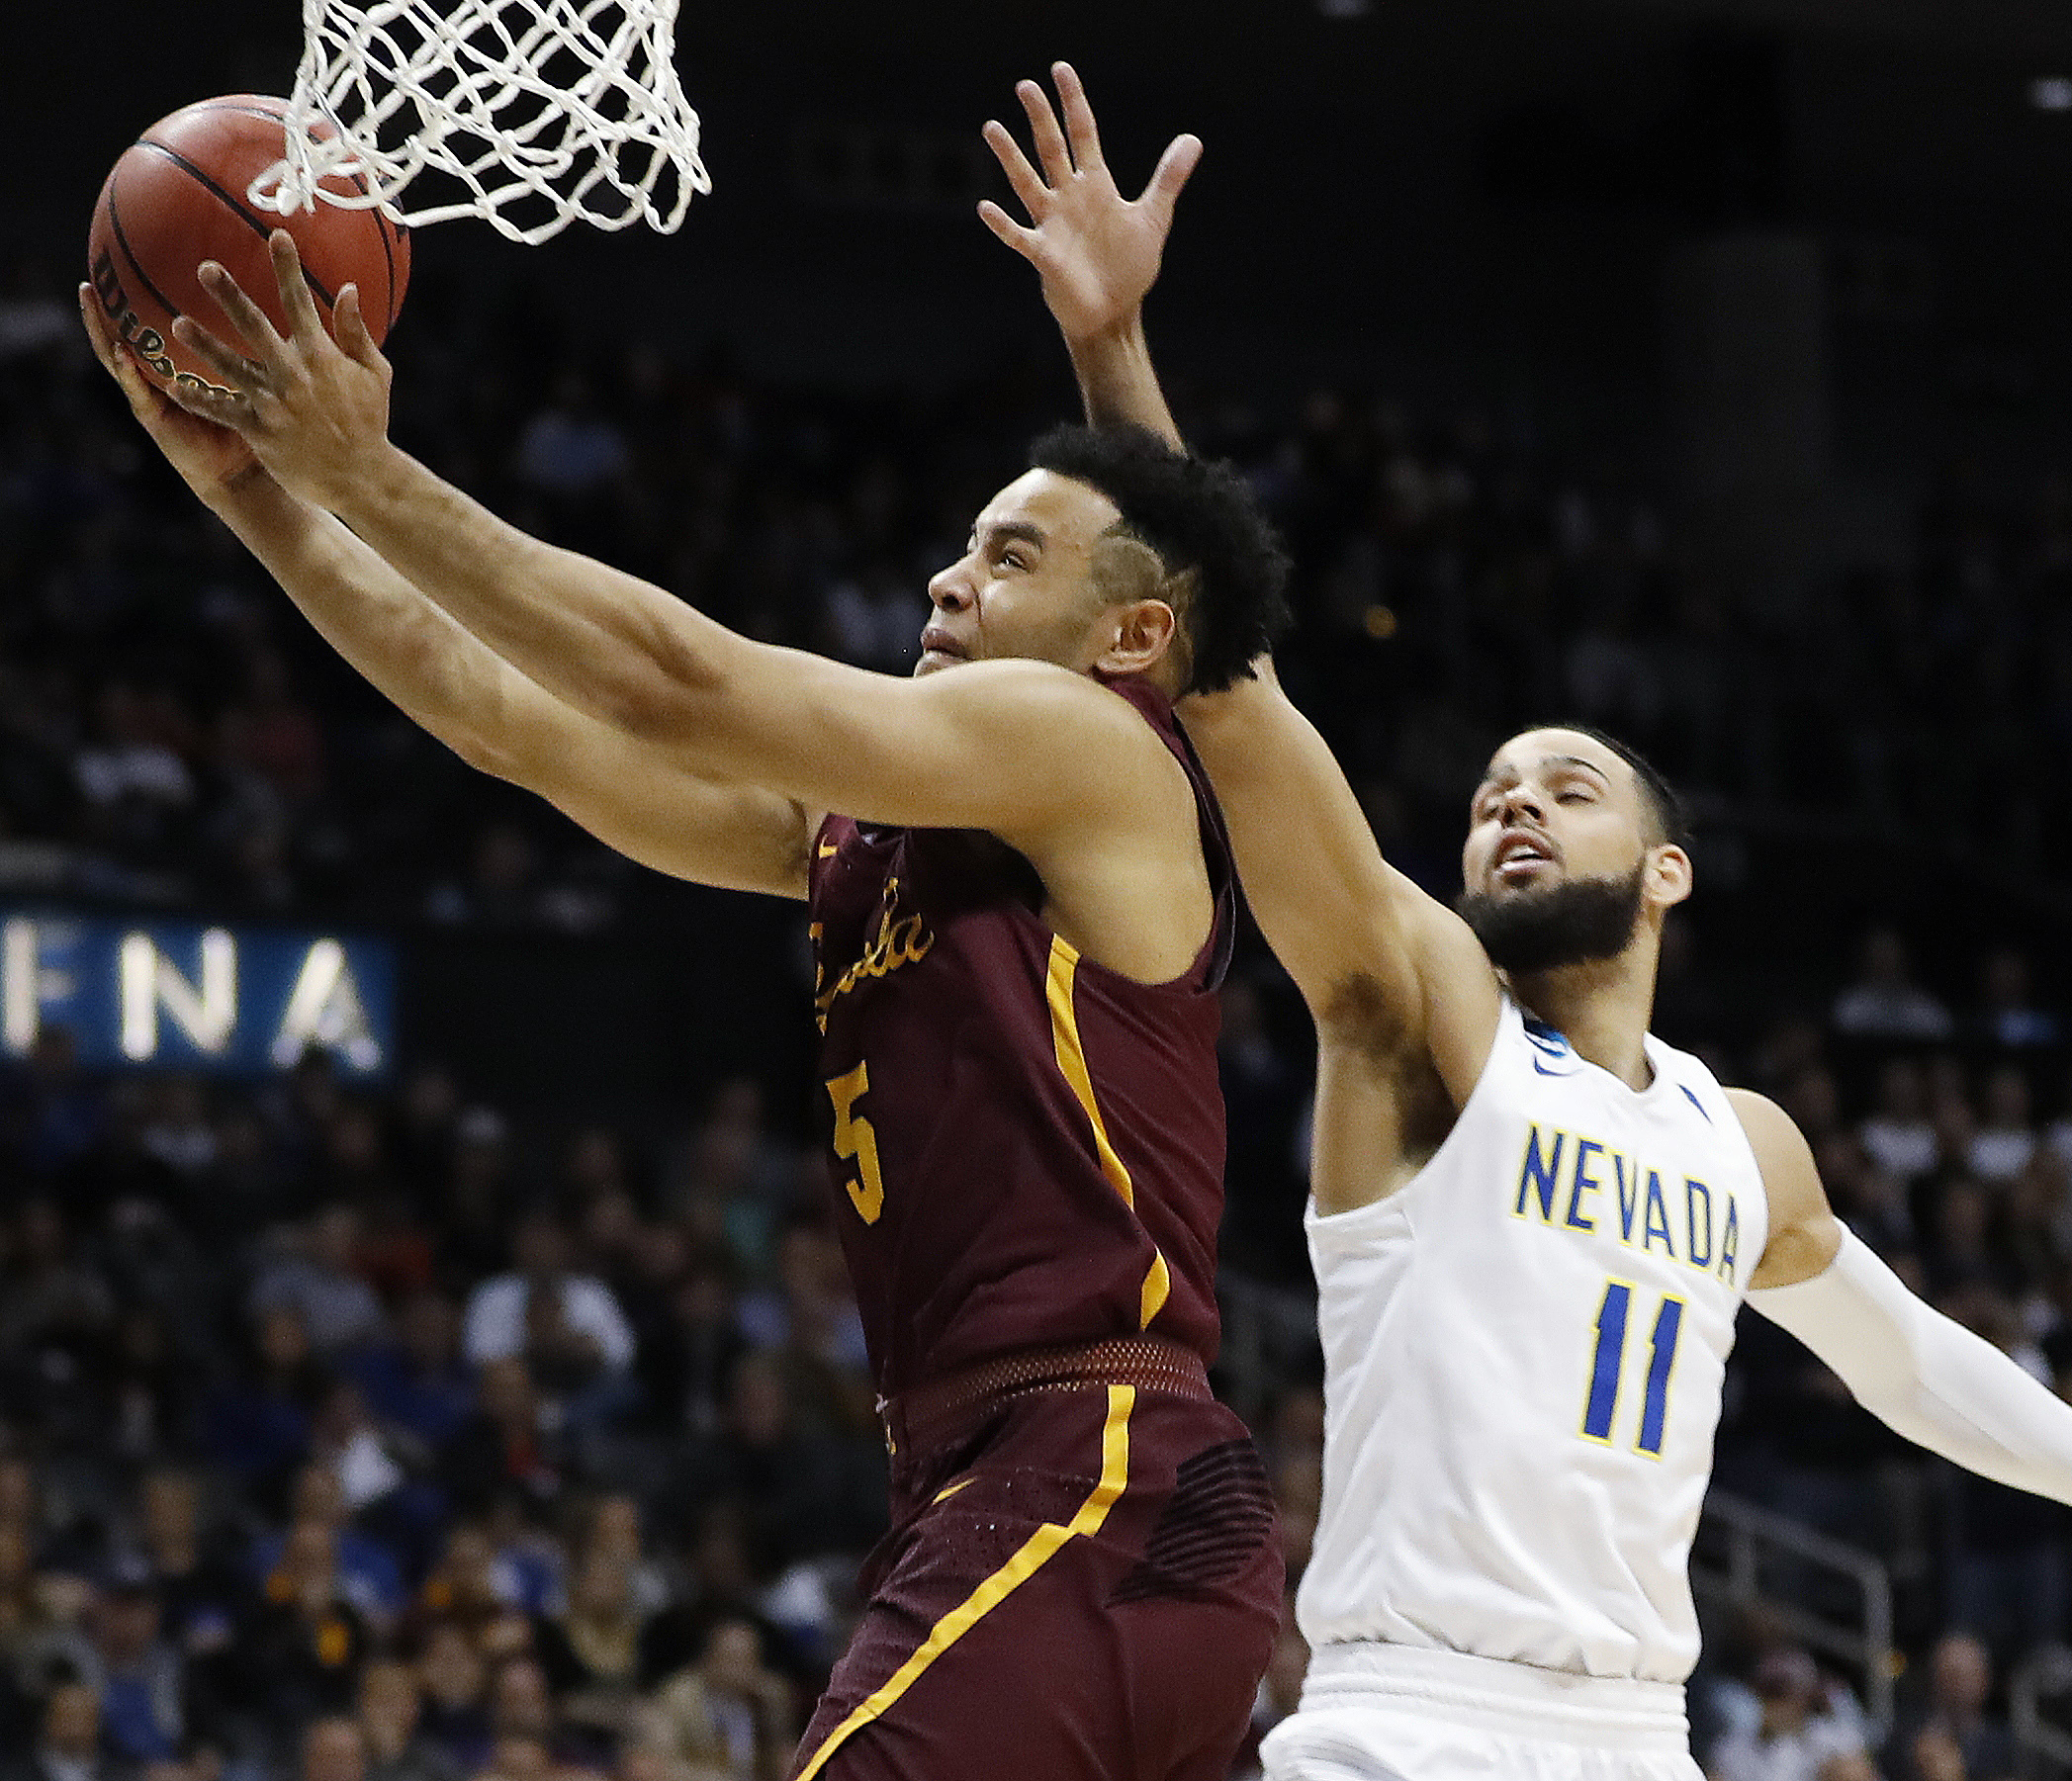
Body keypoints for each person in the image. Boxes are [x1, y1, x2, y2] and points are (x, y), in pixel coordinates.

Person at [979, 82, 2072, 1781]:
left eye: (1565, 784)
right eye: (1490, 790)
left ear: (1671, 872)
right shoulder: (1421, 1015)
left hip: (1639, 1736)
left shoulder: (1742, 1145)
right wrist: (1117, 355)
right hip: (1409, 1721)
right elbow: (1239, 695)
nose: (1513, 806)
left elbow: (1916, 1366)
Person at [80, 65, 1285, 1781]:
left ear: (1129, 640)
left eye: (1012, 558)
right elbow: (529, 727)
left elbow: (679, 677)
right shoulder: (877, 825)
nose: (951, 579)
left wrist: (372, 466)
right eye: (963, 544)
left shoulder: (1094, 749)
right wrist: (261, 498)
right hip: (1035, 1489)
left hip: (1091, 1470)